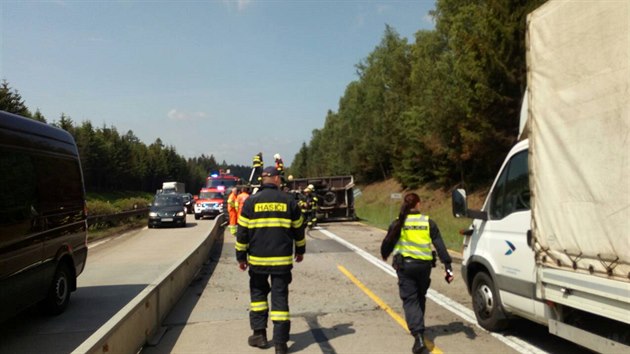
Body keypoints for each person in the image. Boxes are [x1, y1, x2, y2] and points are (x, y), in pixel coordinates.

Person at [236, 166, 305, 354]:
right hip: (281, 262)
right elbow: (299, 229)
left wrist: (241, 257)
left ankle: (259, 335)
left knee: (258, 297)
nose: (281, 181)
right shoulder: (289, 201)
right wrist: (300, 251)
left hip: (258, 262)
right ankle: (281, 344)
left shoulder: (251, 202)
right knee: (280, 299)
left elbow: (242, 233)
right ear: (275, 179)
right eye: (280, 178)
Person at [381, 192, 454, 354]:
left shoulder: (398, 223)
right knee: (420, 296)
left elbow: (387, 243)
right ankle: (419, 326)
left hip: (405, 267)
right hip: (424, 267)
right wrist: (448, 268)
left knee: (410, 299)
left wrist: (385, 254)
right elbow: (440, 246)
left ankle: (418, 336)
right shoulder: (428, 222)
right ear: (419, 205)